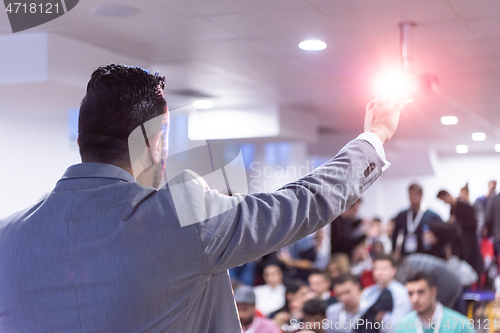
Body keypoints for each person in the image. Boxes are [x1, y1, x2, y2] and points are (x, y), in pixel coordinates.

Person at [0, 64, 408, 332]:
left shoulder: (8, 238)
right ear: (154, 142)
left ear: (81, 139)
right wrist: (376, 138)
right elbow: (303, 204)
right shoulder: (181, 215)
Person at [396, 272, 476, 333]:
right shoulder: (403, 327)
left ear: (433, 292)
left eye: (421, 292)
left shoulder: (459, 325)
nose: (415, 299)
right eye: (410, 293)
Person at [392, 184, 449, 259]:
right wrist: (394, 252)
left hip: (427, 256)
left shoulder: (432, 216)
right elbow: (395, 235)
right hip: (407, 256)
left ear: (421, 195)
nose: (413, 197)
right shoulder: (402, 215)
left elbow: (445, 235)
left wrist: (436, 240)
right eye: (411, 194)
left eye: (416, 194)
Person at [360, 255, 412, 333]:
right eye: (376, 269)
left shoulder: (401, 293)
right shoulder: (368, 292)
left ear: (394, 270)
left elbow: (398, 326)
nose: (379, 273)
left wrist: (380, 318)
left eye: (383, 269)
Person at [436, 190, 483, 276]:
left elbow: (473, 224)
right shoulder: (452, 209)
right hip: (460, 245)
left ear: (448, 195)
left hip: (469, 242)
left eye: (444, 200)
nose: (445, 202)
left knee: (472, 267)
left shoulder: (465, 206)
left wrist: (456, 222)